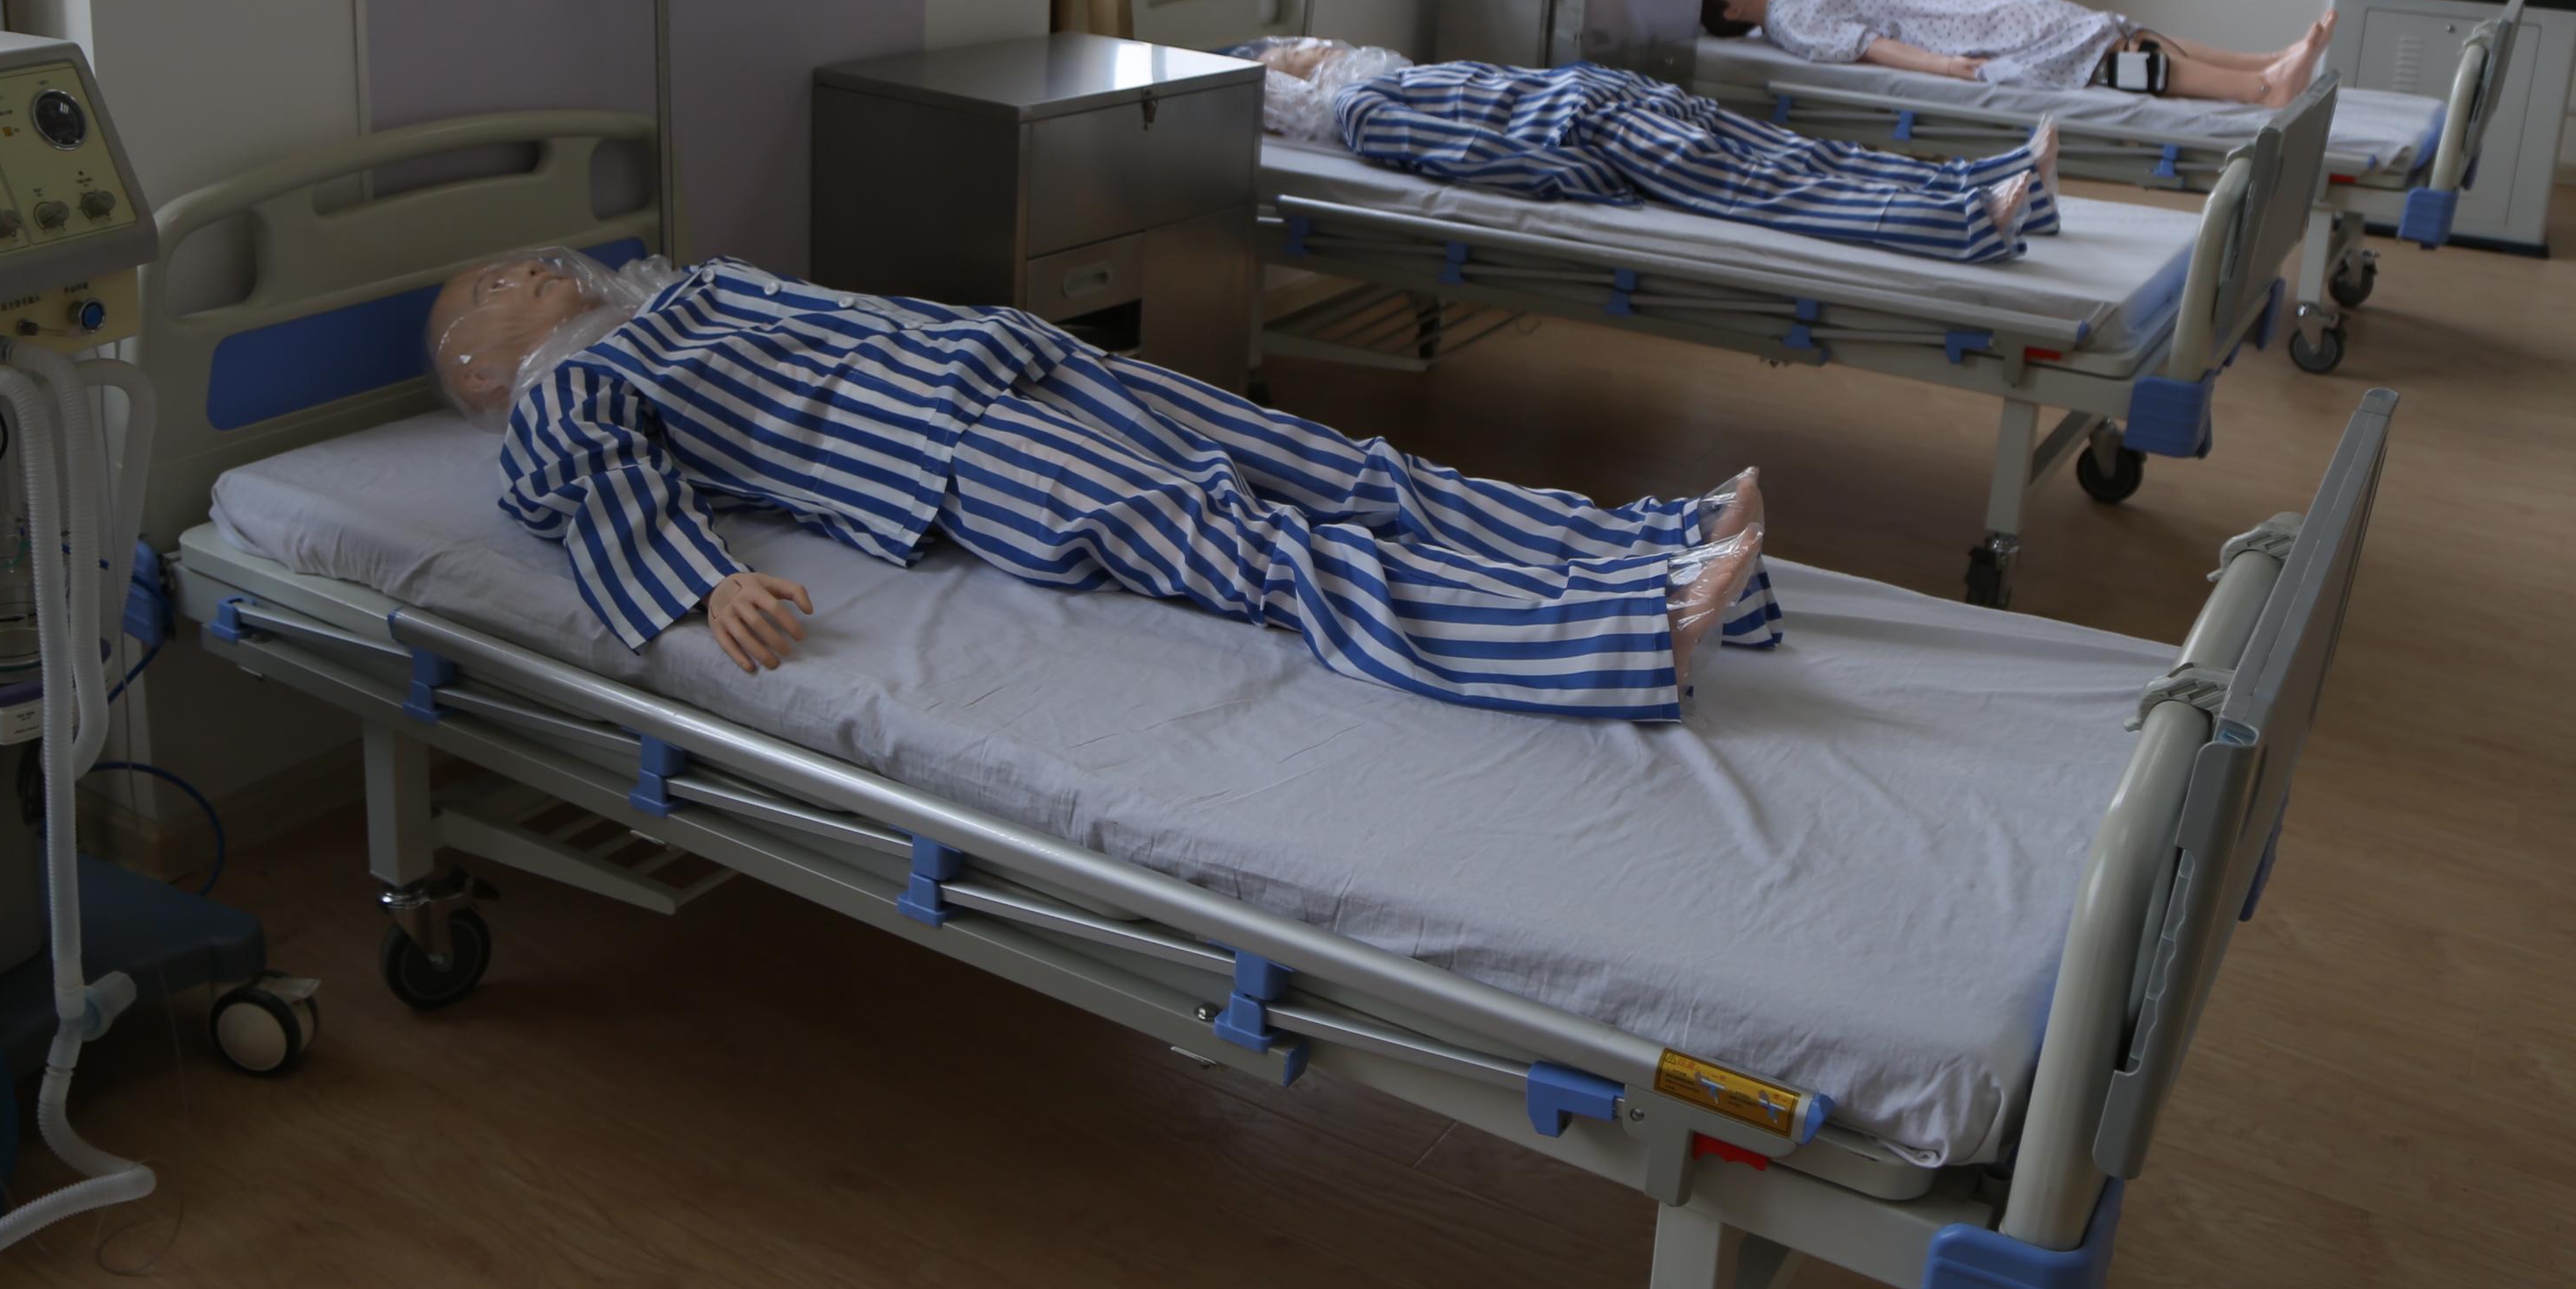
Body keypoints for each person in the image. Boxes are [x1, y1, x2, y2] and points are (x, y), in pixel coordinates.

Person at [425, 253, 1777, 721]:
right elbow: (594, 492)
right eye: (487, 290)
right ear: (483, 372)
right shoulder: (566, 390)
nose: (519, 267)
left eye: (513, 260)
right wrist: (707, 587)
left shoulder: (686, 288)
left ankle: (1647, 544)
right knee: (1253, 543)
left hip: (1022, 362)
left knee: (1329, 462)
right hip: (954, 454)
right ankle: (1614, 637)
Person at [1242, 38, 2060, 265]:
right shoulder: (1360, 107)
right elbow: (1475, 157)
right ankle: (1961, 224)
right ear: (1289, 81)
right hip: (1597, 129)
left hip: (1625, 97)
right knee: (1767, 185)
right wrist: (1583, 172)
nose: (1318, 40)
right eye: (1295, 47)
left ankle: (1994, 178)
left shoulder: (1404, 73)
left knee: (1804, 153)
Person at [1699, 0, 2332, 108]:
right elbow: (1866, 45)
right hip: (1955, 31)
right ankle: (2259, 90)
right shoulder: (1790, 21)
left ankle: (2266, 61)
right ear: (1732, 8)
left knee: (2112, 27)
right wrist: (1947, 67)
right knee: (2107, 52)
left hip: (1968, 7)